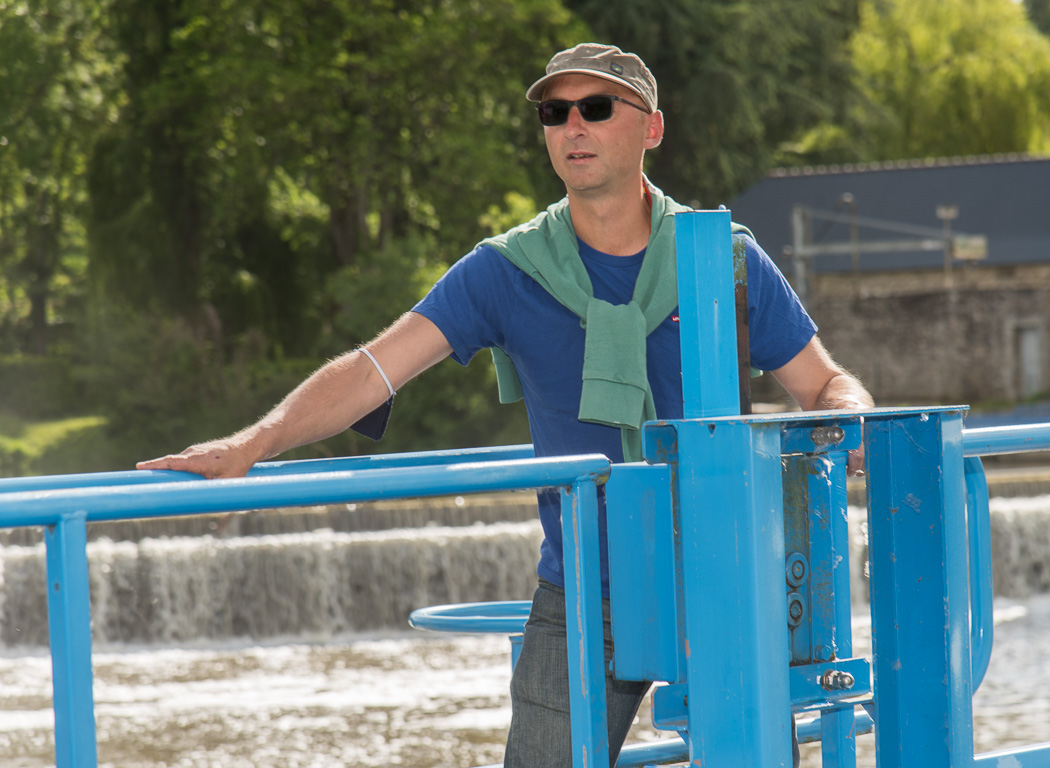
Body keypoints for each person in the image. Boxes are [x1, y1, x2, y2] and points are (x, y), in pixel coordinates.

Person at [139, 43, 873, 768]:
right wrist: (251, 443)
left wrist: (853, 416)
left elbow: (821, 385)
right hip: (586, 591)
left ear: (650, 128)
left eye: (595, 108)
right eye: (555, 113)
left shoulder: (725, 256)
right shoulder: (507, 269)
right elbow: (372, 371)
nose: (572, 128)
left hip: (729, 573)